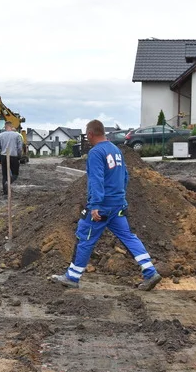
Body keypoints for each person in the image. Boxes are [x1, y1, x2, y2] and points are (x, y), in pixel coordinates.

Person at [50, 119, 162, 291]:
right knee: (128, 237)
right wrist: (120, 198)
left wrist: (95, 205)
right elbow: (125, 176)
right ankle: (150, 271)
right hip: (118, 205)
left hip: (102, 206)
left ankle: (72, 276)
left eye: (87, 136)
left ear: (90, 134)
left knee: (85, 237)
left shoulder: (96, 153)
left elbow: (96, 180)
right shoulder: (116, 150)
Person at [0, 122, 23, 196]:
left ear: (5, 127)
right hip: (14, 156)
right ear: (11, 126)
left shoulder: (0, 135)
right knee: (15, 174)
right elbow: (20, 148)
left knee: (4, 175)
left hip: (4, 156)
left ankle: (5, 192)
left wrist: (0, 156)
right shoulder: (17, 135)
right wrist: (19, 156)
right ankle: (8, 182)